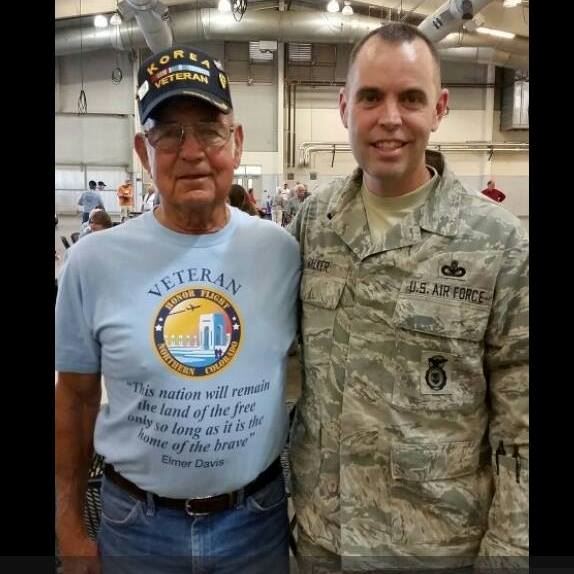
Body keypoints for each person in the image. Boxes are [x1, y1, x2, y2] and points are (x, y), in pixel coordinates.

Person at [288, 22, 529, 572]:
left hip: (435, 550)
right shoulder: (315, 223)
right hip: (321, 544)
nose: (390, 118)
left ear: (439, 108)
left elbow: (522, 429)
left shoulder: (496, 242)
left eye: (411, 98)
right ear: (345, 106)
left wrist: (509, 556)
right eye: (372, 97)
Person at [56, 44, 300, 574]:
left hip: (254, 523)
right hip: (134, 528)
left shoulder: (282, 253)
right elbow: (74, 404)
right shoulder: (92, 262)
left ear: (235, 144)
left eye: (209, 132)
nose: (191, 152)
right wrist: (70, 533)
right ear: (144, 152)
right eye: (169, 134)